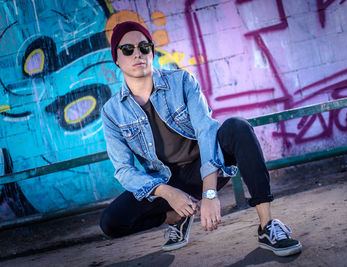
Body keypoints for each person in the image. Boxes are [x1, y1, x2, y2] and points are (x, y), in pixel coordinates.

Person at [100, 21, 302, 257]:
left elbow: (207, 130)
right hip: (165, 182)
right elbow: (124, 169)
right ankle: (178, 217)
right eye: (128, 49)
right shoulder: (112, 112)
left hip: (205, 168)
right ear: (116, 58)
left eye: (144, 47)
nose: (138, 54)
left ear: (152, 52)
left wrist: (209, 193)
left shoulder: (182, 81)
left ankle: (267, 226)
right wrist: (166, 192)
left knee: (238, 127)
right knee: (111, 222)